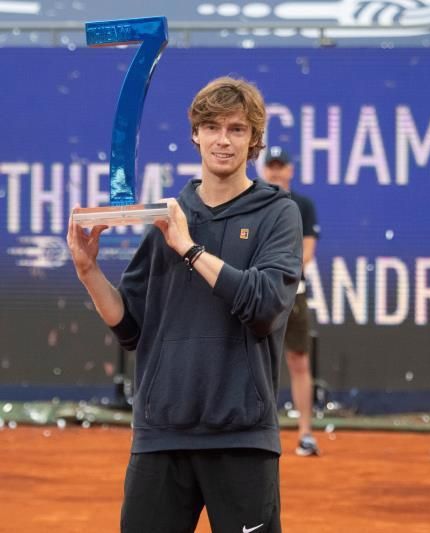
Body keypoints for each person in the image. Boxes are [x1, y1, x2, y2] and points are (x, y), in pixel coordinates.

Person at [67, 77, 302, 532]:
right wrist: (89, 272)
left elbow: (265, 306)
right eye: (211, 127)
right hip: (161, 437)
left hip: (241, 437)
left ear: (254, 139)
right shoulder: (172, 216)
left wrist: (190, 249)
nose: (222, 139)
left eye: (236, 129)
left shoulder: (278, 213)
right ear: (195, 133)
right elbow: (130, 326)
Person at [262, 146, 322, 457]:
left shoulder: (303, 206)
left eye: (280, 166)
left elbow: (306, 254)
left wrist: (273, 271)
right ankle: (259, 431)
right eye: (270, 166)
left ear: (290, 171)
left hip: (291, 294)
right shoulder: (253, 201)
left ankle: (306, 433)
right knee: (257, 363)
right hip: (257, 295)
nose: (275, 171)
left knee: (298, 362)